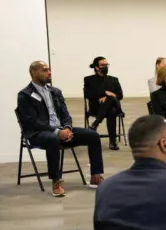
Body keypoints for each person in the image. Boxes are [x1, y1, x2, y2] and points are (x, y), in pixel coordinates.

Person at [17, 61, 105, 197]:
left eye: (49, 70)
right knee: (53, 138)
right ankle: (56, 180)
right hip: (38, 133)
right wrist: (58, 132)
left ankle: (96, 176)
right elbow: (32, 121)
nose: (49, 73)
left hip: (62, 130)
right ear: (34, 73)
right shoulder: (25, 95)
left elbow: (65, 114)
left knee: (93, 135)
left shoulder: (55, 91)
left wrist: (68, 128)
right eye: (45, 70)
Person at [83, 56, 124, 151]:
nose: (105, 67)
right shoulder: (89, 79)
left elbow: (120, 95)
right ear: (97, 67)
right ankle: (113, 141)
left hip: (113, 106)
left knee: (111, 103)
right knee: (112, 111)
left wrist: (108, 97)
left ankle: (96, 123)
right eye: (103, 65)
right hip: (96, 107)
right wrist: (105, 93)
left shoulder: (114, 79)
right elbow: (88, 94)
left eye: (106, 65)